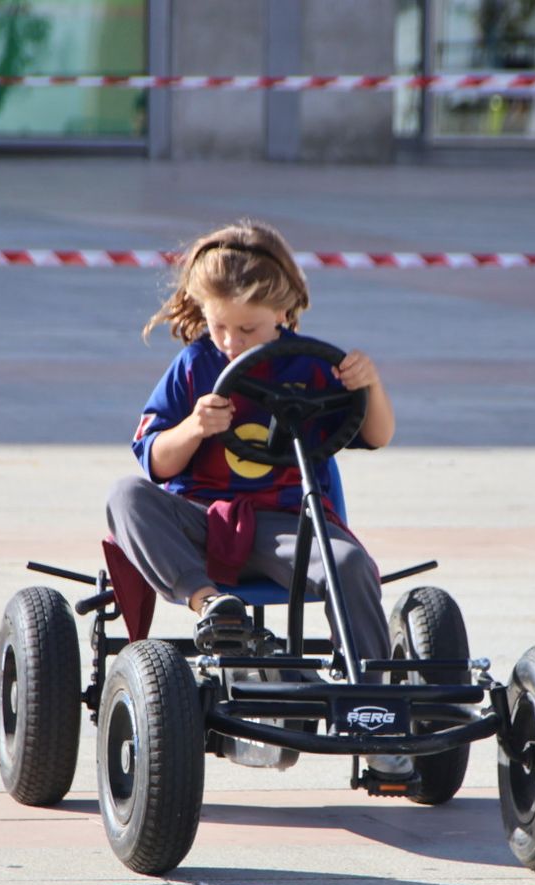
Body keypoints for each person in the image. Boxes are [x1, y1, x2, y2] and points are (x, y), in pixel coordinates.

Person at [105, 219, 409, 777]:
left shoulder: (316, 365)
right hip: (196, 519)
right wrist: (194, 429)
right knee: (125, 497)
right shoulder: (196, 364)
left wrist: (370, 384)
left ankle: (376, 713)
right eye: (220, 326)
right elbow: (153, 458)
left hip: (284, 522)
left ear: (285, 313)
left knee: (348, 562)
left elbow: (377, 435)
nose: (230, 342)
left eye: (247, 329)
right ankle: (208, 605)